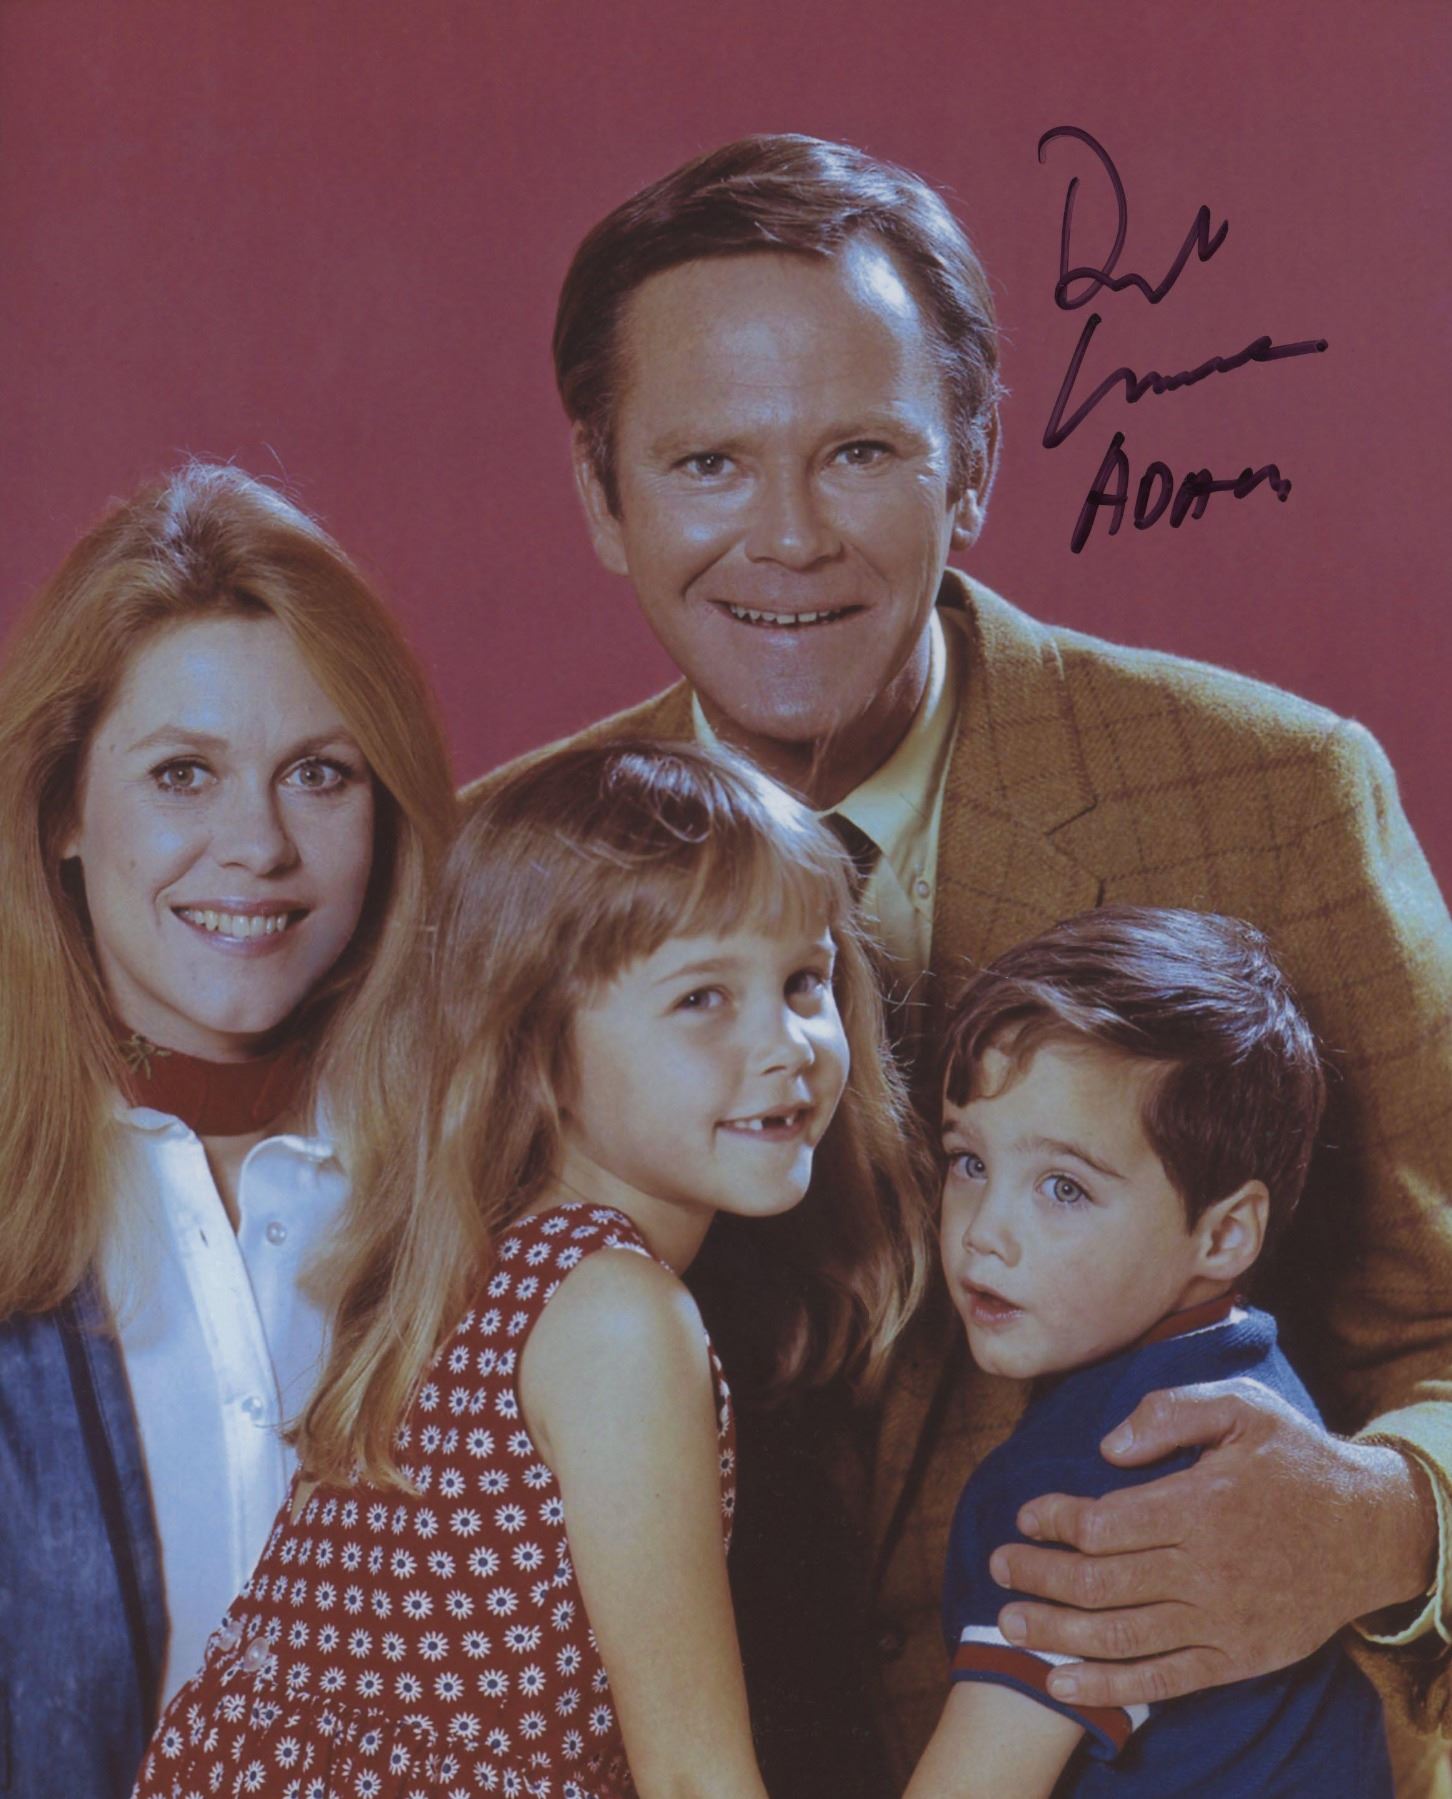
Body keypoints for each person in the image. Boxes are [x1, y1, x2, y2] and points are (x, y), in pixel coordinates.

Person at [465, 134, 1452, 1796]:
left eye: (860, 451)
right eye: (707, 462)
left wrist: (1386, 1514)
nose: (788, 537)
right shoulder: (494, 874)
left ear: (975, 460)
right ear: (600, 491)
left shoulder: (1281, 797)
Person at [132, 740, 930, 1799]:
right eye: (703, 997)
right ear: (538, 1048)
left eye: (803, 981)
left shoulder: (485, 1261)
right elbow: (692, 1775)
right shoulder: (616, 1314)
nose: (787, 1045)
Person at [0, 463, 456, 1796]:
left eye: (319, 773)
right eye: (183, 773)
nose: (256, 844)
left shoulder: (490, 1186)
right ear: (64, 810)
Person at [905, 906, 1392, 1797]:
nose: (983, 1232)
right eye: (969, 1161)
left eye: (1063, 1187)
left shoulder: (1078, 1484)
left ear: (1224, 1234)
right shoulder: (1251, 1384)